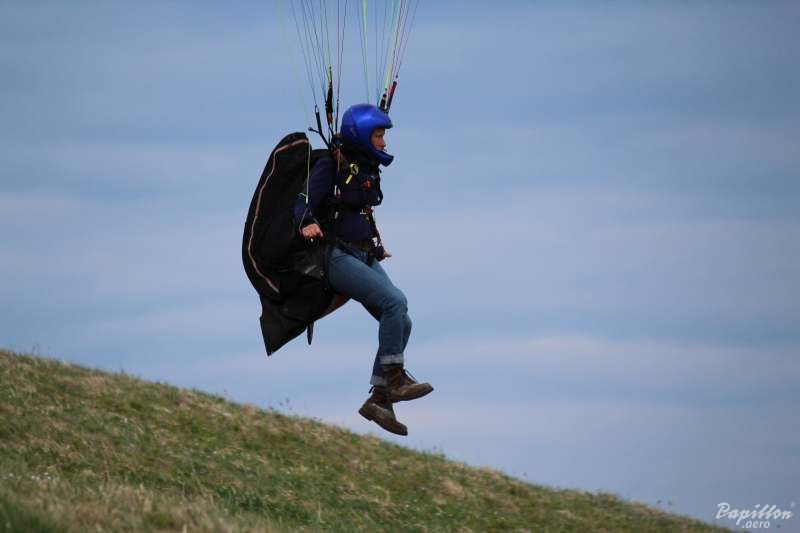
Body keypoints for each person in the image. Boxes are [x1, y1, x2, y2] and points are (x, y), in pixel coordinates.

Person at [293, 104, 433, 436]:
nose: (384, 142)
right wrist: (306, 222)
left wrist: (376, 246)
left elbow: (359, 214)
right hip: (335, 256)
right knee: (395, 303)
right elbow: (302, 201)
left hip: (362, 253)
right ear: (362, 135)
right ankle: (394, 378)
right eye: (379, 135)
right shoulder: (332, 165)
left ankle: (379, 400)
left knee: (403, 321)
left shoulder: (365, 168)